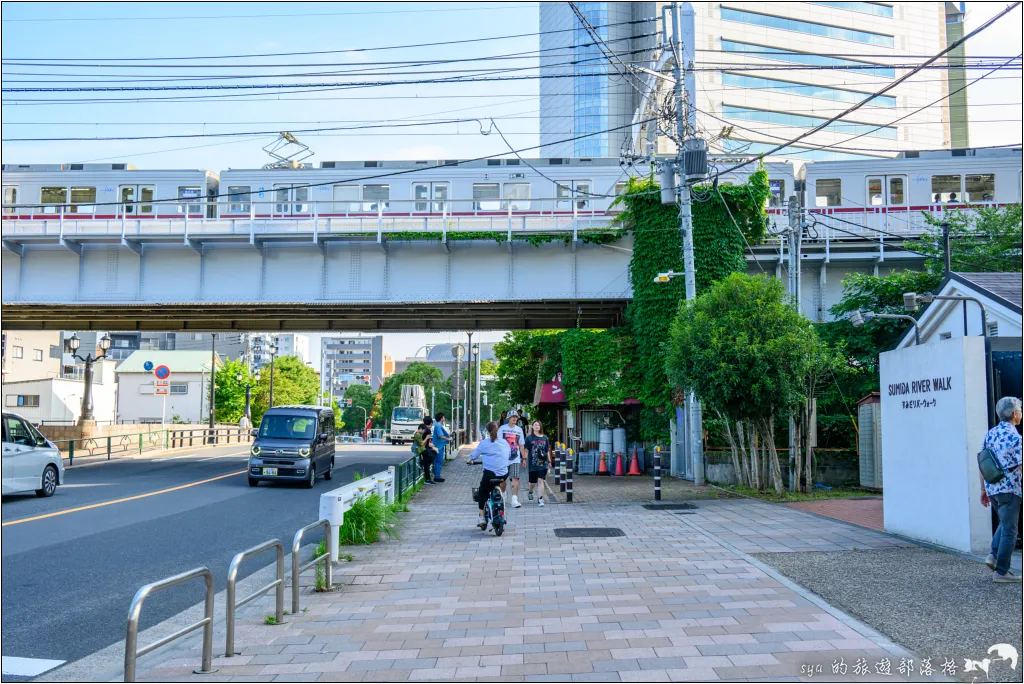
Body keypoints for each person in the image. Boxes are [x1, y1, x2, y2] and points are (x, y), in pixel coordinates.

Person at [980, 396, 1023, 582]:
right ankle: (1002, 572)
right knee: (1010, 531)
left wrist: (983, 489)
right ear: (1014, 414)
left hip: (993, 488)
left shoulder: (990, 434)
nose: (1021, 413)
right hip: (1010, 489)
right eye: (1020, 410)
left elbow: (982, 462)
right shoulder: (1016, 438)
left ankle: (993, 556)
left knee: (1004, 524)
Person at [469, 421, 510, 529]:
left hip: (489, 475)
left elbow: (474, 456)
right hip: (504, 473)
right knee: (501, 480)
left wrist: (471, 460)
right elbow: (509, 454)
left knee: (483, 492)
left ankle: (482, 517)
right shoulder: (505, 442)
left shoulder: (484, 443)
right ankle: (502, 499)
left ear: (487, 431)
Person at [497, 410, 527, 508]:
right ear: (508, 418)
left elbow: (521, 445)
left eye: (516, 417)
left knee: (515, 478)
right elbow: (497, 443)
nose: (515, 419)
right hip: (503, 458)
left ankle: (514, 499)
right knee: (503, 479)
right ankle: (503, 494)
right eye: (513, 417)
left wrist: (524, 458)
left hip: (515, 458)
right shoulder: (502, 429)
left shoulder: (519, 430)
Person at [525, 419, 552, 506]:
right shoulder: (529, 438)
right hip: (533, 464)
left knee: (540, 480)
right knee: (532, 483)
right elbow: (526, 450)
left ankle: (540, 499)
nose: (537, 426)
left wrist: (549, 461)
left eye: (538, 425)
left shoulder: (545, 438)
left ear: (540, 427)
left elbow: (547, 450)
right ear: (532, 427)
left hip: (543, 463)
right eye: (535, 425)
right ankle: (530, 491)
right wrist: (524, 459)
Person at [413, 416, 437, 485]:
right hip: (423, 448)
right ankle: (422, 464)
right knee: (432, 456)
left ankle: (427, 478)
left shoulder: (423, 428)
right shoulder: (428, 430)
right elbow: (424, 441)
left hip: (423, 448)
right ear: (431, 423)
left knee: (431, 457)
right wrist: (428, 444)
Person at [431, 412, 452, 482]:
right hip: (438, 446)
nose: (444, 418)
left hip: (438, 445)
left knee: (438, 461)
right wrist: (448, 439)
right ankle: (437, 476)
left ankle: (437, 475)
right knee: (438, 461)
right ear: (441, 418)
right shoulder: (438, 426)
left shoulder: (438, 426)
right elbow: (441, 436)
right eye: (443, 417)